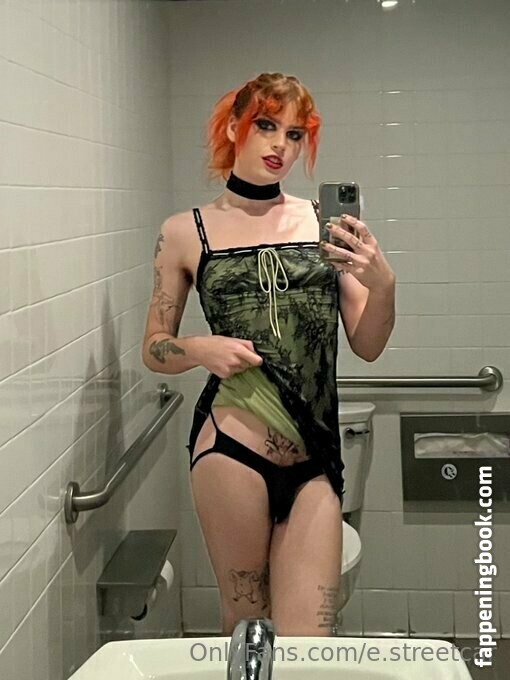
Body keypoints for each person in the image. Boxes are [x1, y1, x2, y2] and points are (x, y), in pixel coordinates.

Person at [142, 72, 396, 636]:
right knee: (248, 626)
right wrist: (198, 348)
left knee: (312, 643)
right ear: (234, 127)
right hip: (231, 449)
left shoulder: (323, 224)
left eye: (295, 133)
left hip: (315, 453)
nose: (281, 144)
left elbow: (369, 345)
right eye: (266, 125)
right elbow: (154, 347)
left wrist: (383, 285)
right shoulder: (186, 232)